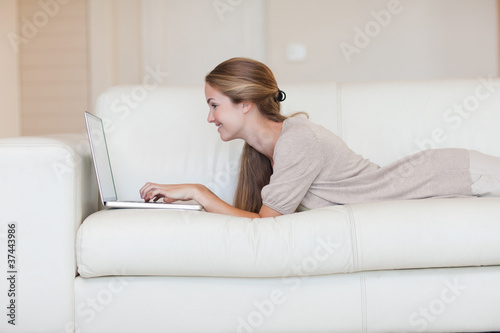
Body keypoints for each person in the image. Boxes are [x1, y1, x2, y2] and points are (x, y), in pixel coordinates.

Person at [139, 57, 500, 218]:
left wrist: (198, 193)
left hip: (454, 174)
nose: (209, 117)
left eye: (214, 105)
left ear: (245, 104)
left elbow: (267, 225)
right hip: (448, 176)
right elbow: (258, 222)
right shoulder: (262, 155)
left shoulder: (297, 141)